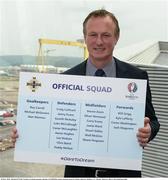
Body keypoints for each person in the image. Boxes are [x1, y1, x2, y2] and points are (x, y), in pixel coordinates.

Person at [11, 9, 160, 177]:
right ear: (85, 38)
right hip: (78, 174)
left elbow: (153, 121)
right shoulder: (66, 79)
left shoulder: (136, 77)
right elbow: (52, 125)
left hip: (124, 173)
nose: (99, 41)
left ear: (116, 38)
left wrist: (148, 131)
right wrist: (26, 133)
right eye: (93, 35)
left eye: (106, 35)